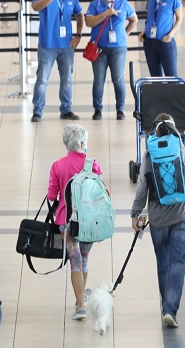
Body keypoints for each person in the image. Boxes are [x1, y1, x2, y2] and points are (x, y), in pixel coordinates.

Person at [130, 113, 185, 328]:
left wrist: (136, 214)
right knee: (177, 262)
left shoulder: (148, 156)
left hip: (157, 219)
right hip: (181, 216)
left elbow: (142, 189)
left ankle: (166, 307)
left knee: (163, 263)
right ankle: (170, 309)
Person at [47, 124, 103, 320]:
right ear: (81, 143)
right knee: (84, 258)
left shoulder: (58, 165)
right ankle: (81, 298)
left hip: (66, 221)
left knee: (75, 261)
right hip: (88, 222)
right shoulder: (92, 164)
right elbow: (102, 193)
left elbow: (51, 195)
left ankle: (80, 305)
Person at [30, 0, 84, 123]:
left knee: (67, 79)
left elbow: (80, 14)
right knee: (42, 79)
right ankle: (37, 111)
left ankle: (66, 110)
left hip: (67, 46)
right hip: (47, 46)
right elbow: (35, 7)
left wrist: (78, 35)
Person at [86, 0, 138, 121]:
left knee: (118, 78)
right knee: (98, 80)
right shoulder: (95, 4)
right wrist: (105, 14)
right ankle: (97, 110)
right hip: (98, 49)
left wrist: (125, 34)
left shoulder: (123, 3)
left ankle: (120, 110)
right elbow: (89, 22)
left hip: (118, 49)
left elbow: (134, 20)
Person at [138, 0, 183, 77]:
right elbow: (149, 18)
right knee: (155, 79)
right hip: (149, 43)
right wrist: (144, 32)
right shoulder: (151, 1)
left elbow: (179, 18)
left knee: (172, 77)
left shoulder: (174, 1)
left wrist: (170, 35)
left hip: (165, 43)